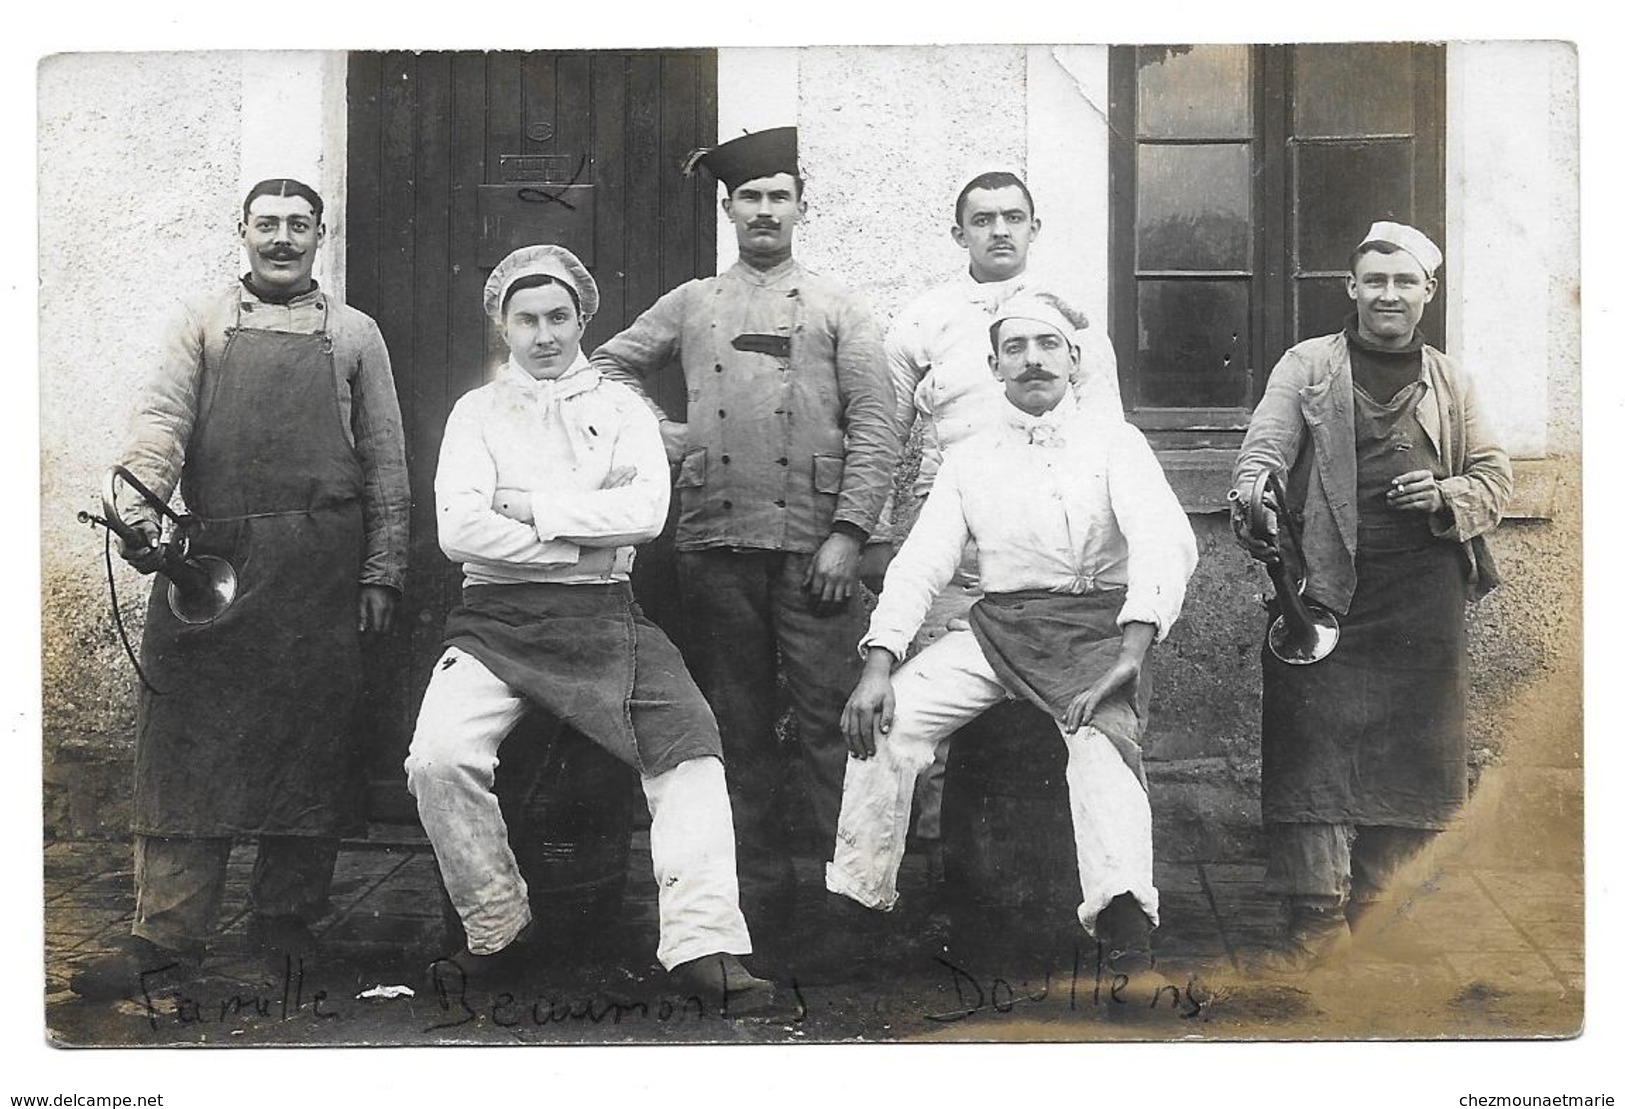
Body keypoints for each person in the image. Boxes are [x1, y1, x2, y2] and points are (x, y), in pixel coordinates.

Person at [404, 245, 772, 1011]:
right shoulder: (475, 414)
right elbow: (458, 533)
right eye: (527, 319)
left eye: (559, 317)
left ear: (582, 320)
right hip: (494, 619)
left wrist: (529, 506)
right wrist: (585, 532)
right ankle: (499, 926)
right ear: (502, 326)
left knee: (692, 750)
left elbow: (645, 515)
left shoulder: (622, 409)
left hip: (605, 615)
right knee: (436, 758)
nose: (545, 335)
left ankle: (704, 944)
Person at [72, 178, 410, 999]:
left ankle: (286, 924)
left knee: (310, 748)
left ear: (320, 234)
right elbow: (159, 424)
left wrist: (383, 570)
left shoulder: (356, 335)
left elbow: (386, 465)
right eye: (268, 225)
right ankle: (165, 937)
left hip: (320, 569)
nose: (283, 239)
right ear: (243, 232)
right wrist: (142, 508)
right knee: (187, 748)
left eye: (299, 225)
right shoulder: (201, 326)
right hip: (214, 561)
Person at [590, 127, 899, 941]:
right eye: (749, 199)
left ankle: (850, 897)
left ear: (801, 208)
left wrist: (849, 533)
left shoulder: (839, 309)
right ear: (728, 210)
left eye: (779, 197)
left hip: (814, 553)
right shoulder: (692, 302)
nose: (765, 212)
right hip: (713, 546)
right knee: (734, 723)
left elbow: (876, 426)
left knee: (838, 722)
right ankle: (756, 893)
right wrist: (664, 433)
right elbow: (604, 370)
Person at [828, 293, 1197, 973]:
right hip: (999, 631)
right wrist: (878, 662)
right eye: (1016, 348)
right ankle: (857, 903)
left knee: (1098, 741)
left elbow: (1162, 540)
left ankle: (1122, 924)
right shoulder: (969, 458)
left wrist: (1132, 650)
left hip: (1095, 635)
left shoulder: (1116, 442)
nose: (1033, 360)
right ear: (994, 366)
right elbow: (921, 560)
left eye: (1047, 345)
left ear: (1074, 360)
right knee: (889, 721)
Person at [1230, 221, 1511, 973]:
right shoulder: (1306, 366)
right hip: (1322, 593)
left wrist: (1445, 491)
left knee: (1410, 757)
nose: (1388, 293)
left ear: (1427, 292)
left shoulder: (1451, 382)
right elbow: (1261, 451)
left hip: (1423, 598)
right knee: (1311, 750)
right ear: (1351, 289)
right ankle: (1314, 923)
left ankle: (1379, 913)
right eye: (1374, 280)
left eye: (1403, 281)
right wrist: (1252, 497)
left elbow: (1494, 477)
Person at [880, 172, 1123, 862]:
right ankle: (938, 864)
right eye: (981, 219)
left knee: (1044, 707)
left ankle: (1038, 867)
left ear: (1034, 229)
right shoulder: (922, 320)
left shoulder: (1070, 320)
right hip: (952, 534)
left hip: (1047, 543)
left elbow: (1104, 437)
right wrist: (872, 533)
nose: (999, 231)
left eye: (1013, 217)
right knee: (939, 698)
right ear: (958, 233)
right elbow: (884, 432)